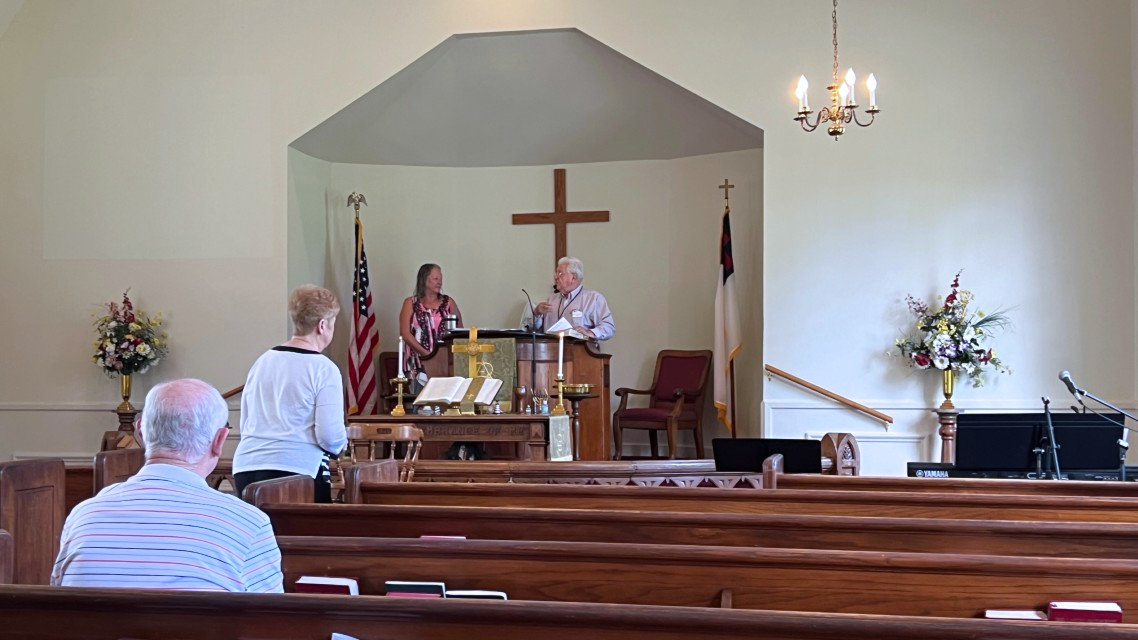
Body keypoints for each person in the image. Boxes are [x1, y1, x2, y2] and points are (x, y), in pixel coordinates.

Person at [52, 378, 284, 592]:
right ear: (219, 440)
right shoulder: (250, 524)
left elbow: (59, 602)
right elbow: (270, 618)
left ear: (141, 432)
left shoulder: (83, 516)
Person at [233, 284, 347, 503]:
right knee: (305, 527)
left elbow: (246, 419)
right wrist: (342, 445)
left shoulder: (262, 361)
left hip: (247, 465)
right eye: (333, 324)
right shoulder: (323, 368)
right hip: (297, 469)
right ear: (322, 325)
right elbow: (329, 435)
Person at [400, 263, 463, 388]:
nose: (440, 282)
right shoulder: (410, 303)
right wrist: (428, 355)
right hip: (416, 364)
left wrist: (443, 358)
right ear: (424, 279)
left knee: (443, 398)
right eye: (435, 278)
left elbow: (460, 332)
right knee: (419, 399)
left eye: (441, 279)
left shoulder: (449, 302)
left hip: (444, 363)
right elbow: (405, 334)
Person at [533, 256, 615, 341]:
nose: (556, 277)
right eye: (556, 273)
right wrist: (536, 313)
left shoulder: (593, 298)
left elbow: (608, 327)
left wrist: (590, 332)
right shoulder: (551, 300)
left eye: (560, 273)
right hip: (550, 348)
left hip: (579, 349)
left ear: (574, 277)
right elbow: (534, 329)